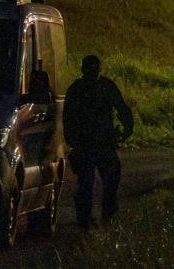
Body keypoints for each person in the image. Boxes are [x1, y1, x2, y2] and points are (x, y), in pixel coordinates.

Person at [63, 54, 134, 229]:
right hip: (92, 144)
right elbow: (68, 118)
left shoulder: (79, 89)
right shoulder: (103, 87)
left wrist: (126, 129)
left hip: (97, 144)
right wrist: (126, 130)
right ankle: (93, 221)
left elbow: (67, 118)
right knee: (91, 186)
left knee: (101, 185)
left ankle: (96, 220)